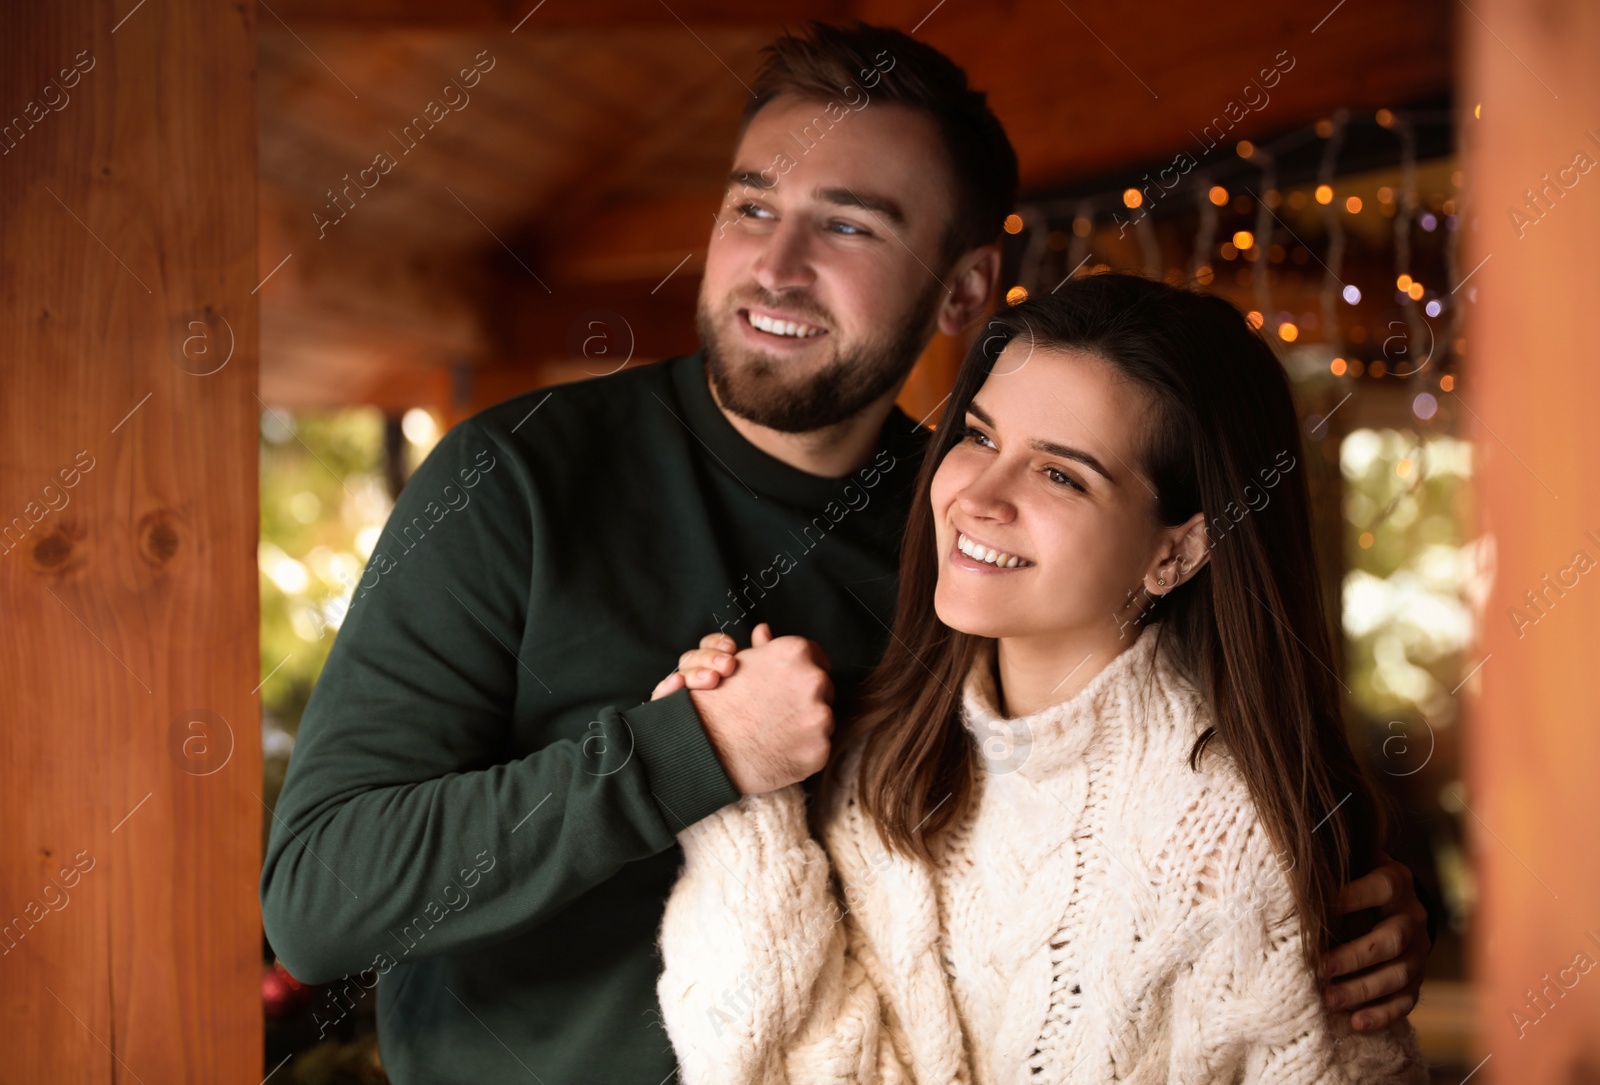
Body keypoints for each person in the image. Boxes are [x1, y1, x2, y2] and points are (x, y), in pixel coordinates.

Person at [259, 21, 1431, 1083]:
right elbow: (319, 900)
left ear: (964, 286)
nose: (775, 265)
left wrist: (1325, 909)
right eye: (753, 204)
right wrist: (691, 749)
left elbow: (1126, 804)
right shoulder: (514, 477)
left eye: (848, 226)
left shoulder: (968, 546)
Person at [654, 274, 1429, 1084]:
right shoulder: (865, 756)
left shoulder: (1234, 847)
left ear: (1180, 550)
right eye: (982, 437)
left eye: (1061, 474)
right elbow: (760, 1061)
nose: (979, 497)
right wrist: (740, 803)